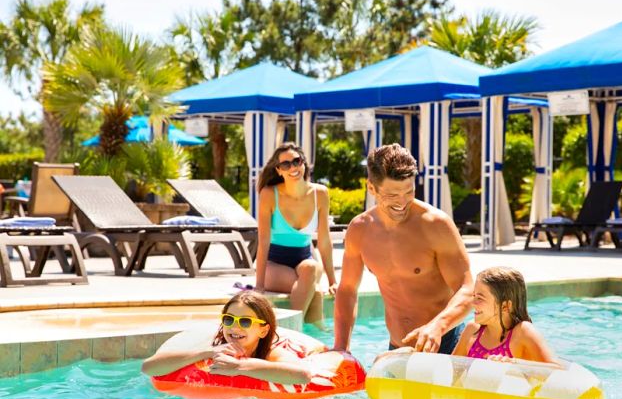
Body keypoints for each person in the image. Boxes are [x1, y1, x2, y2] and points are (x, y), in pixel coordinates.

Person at [334, 143, 474, 354]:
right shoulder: (360, 229)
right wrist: (341, 347)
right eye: (392, 195)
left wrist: (438, 325)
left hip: (445, 344)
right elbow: (347, 290)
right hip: (397, 348)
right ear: (371, 188)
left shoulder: (436, 225)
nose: (402, 202)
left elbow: (468, 289)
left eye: (408, 192)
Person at [142, 290, 314, 384]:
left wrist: (240, 366)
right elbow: (148, 368)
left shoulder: (272, 354)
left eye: (245, 322)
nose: (234, 327)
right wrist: (207, 353)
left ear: (263, 330)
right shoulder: (214, 347)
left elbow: (303, 375)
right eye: (229, 319)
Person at [255, 143, 337, 326]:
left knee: (309, 269)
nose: (293, 167)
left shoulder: (320, 193)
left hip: (305, 259)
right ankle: (309, 330)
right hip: (274, 263)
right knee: (312, 290)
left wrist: (333, 281)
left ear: (304, 164)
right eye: (286, 165)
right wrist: (259, 285)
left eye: (296, 161)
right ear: (279, 171)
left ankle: (294, 330)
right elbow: (263, 241)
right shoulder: (269, 194)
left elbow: (324, 240)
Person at [451, 267, 557, 364]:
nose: (473, 303)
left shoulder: (522, 332)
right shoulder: (472, 330)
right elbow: (451, 370)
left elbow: (558, 370)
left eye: (480, 298)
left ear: (505, 306)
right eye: (474, 296)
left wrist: (516, 364)